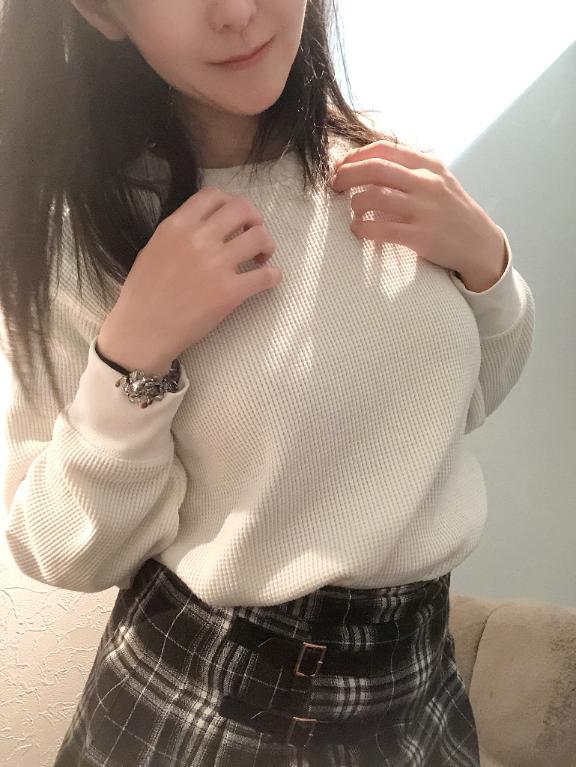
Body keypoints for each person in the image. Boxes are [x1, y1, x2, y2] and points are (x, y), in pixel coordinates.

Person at [0, 0, 535, 765]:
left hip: (420, 692)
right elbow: (63, 549)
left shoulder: (384, 162)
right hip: (208, 703)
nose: (238, 11)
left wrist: (488, 266)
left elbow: (470, 398)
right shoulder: (84, 232)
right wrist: (133, 353)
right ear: (103, 12)